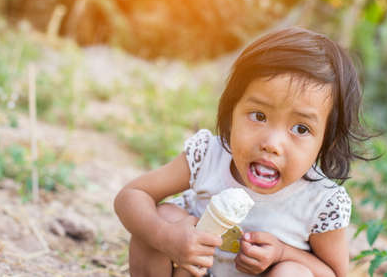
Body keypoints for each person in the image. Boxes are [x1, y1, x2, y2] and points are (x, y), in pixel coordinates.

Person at [114, 27, 373, 277]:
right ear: (232, 111)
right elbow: (132, 195)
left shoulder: (320, 201)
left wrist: (282, 253)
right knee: (163, 217)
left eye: (301, 129)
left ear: (326, 140)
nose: (272, 143)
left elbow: (334, 273)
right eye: (259, 116)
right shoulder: (210, 156)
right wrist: (165, 237)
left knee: (293, 273)